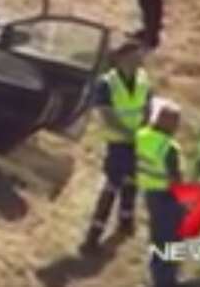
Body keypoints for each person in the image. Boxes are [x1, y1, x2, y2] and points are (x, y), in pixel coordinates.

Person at [80, 40, 153, 254]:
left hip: (137, 140)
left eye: (139, 58)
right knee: (112, 186)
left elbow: (147, 107)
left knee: (132, 180)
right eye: (133, 57)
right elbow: (107, 115)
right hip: (118, 143)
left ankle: (126, 222)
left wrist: (144, 132)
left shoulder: (143, 79)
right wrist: (131, 135)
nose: (138, 61)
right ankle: (93, 237)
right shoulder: (107, 83)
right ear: (121, 59)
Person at [138, 99, 185, 286]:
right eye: (176, 121)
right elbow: (176, 179)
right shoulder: (169, 147)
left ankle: (157, 277)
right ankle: (167, 280)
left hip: (150, 194)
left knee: (157, 239)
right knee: (171, 241)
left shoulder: (142, 136)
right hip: (168, 198)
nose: (177, 126)